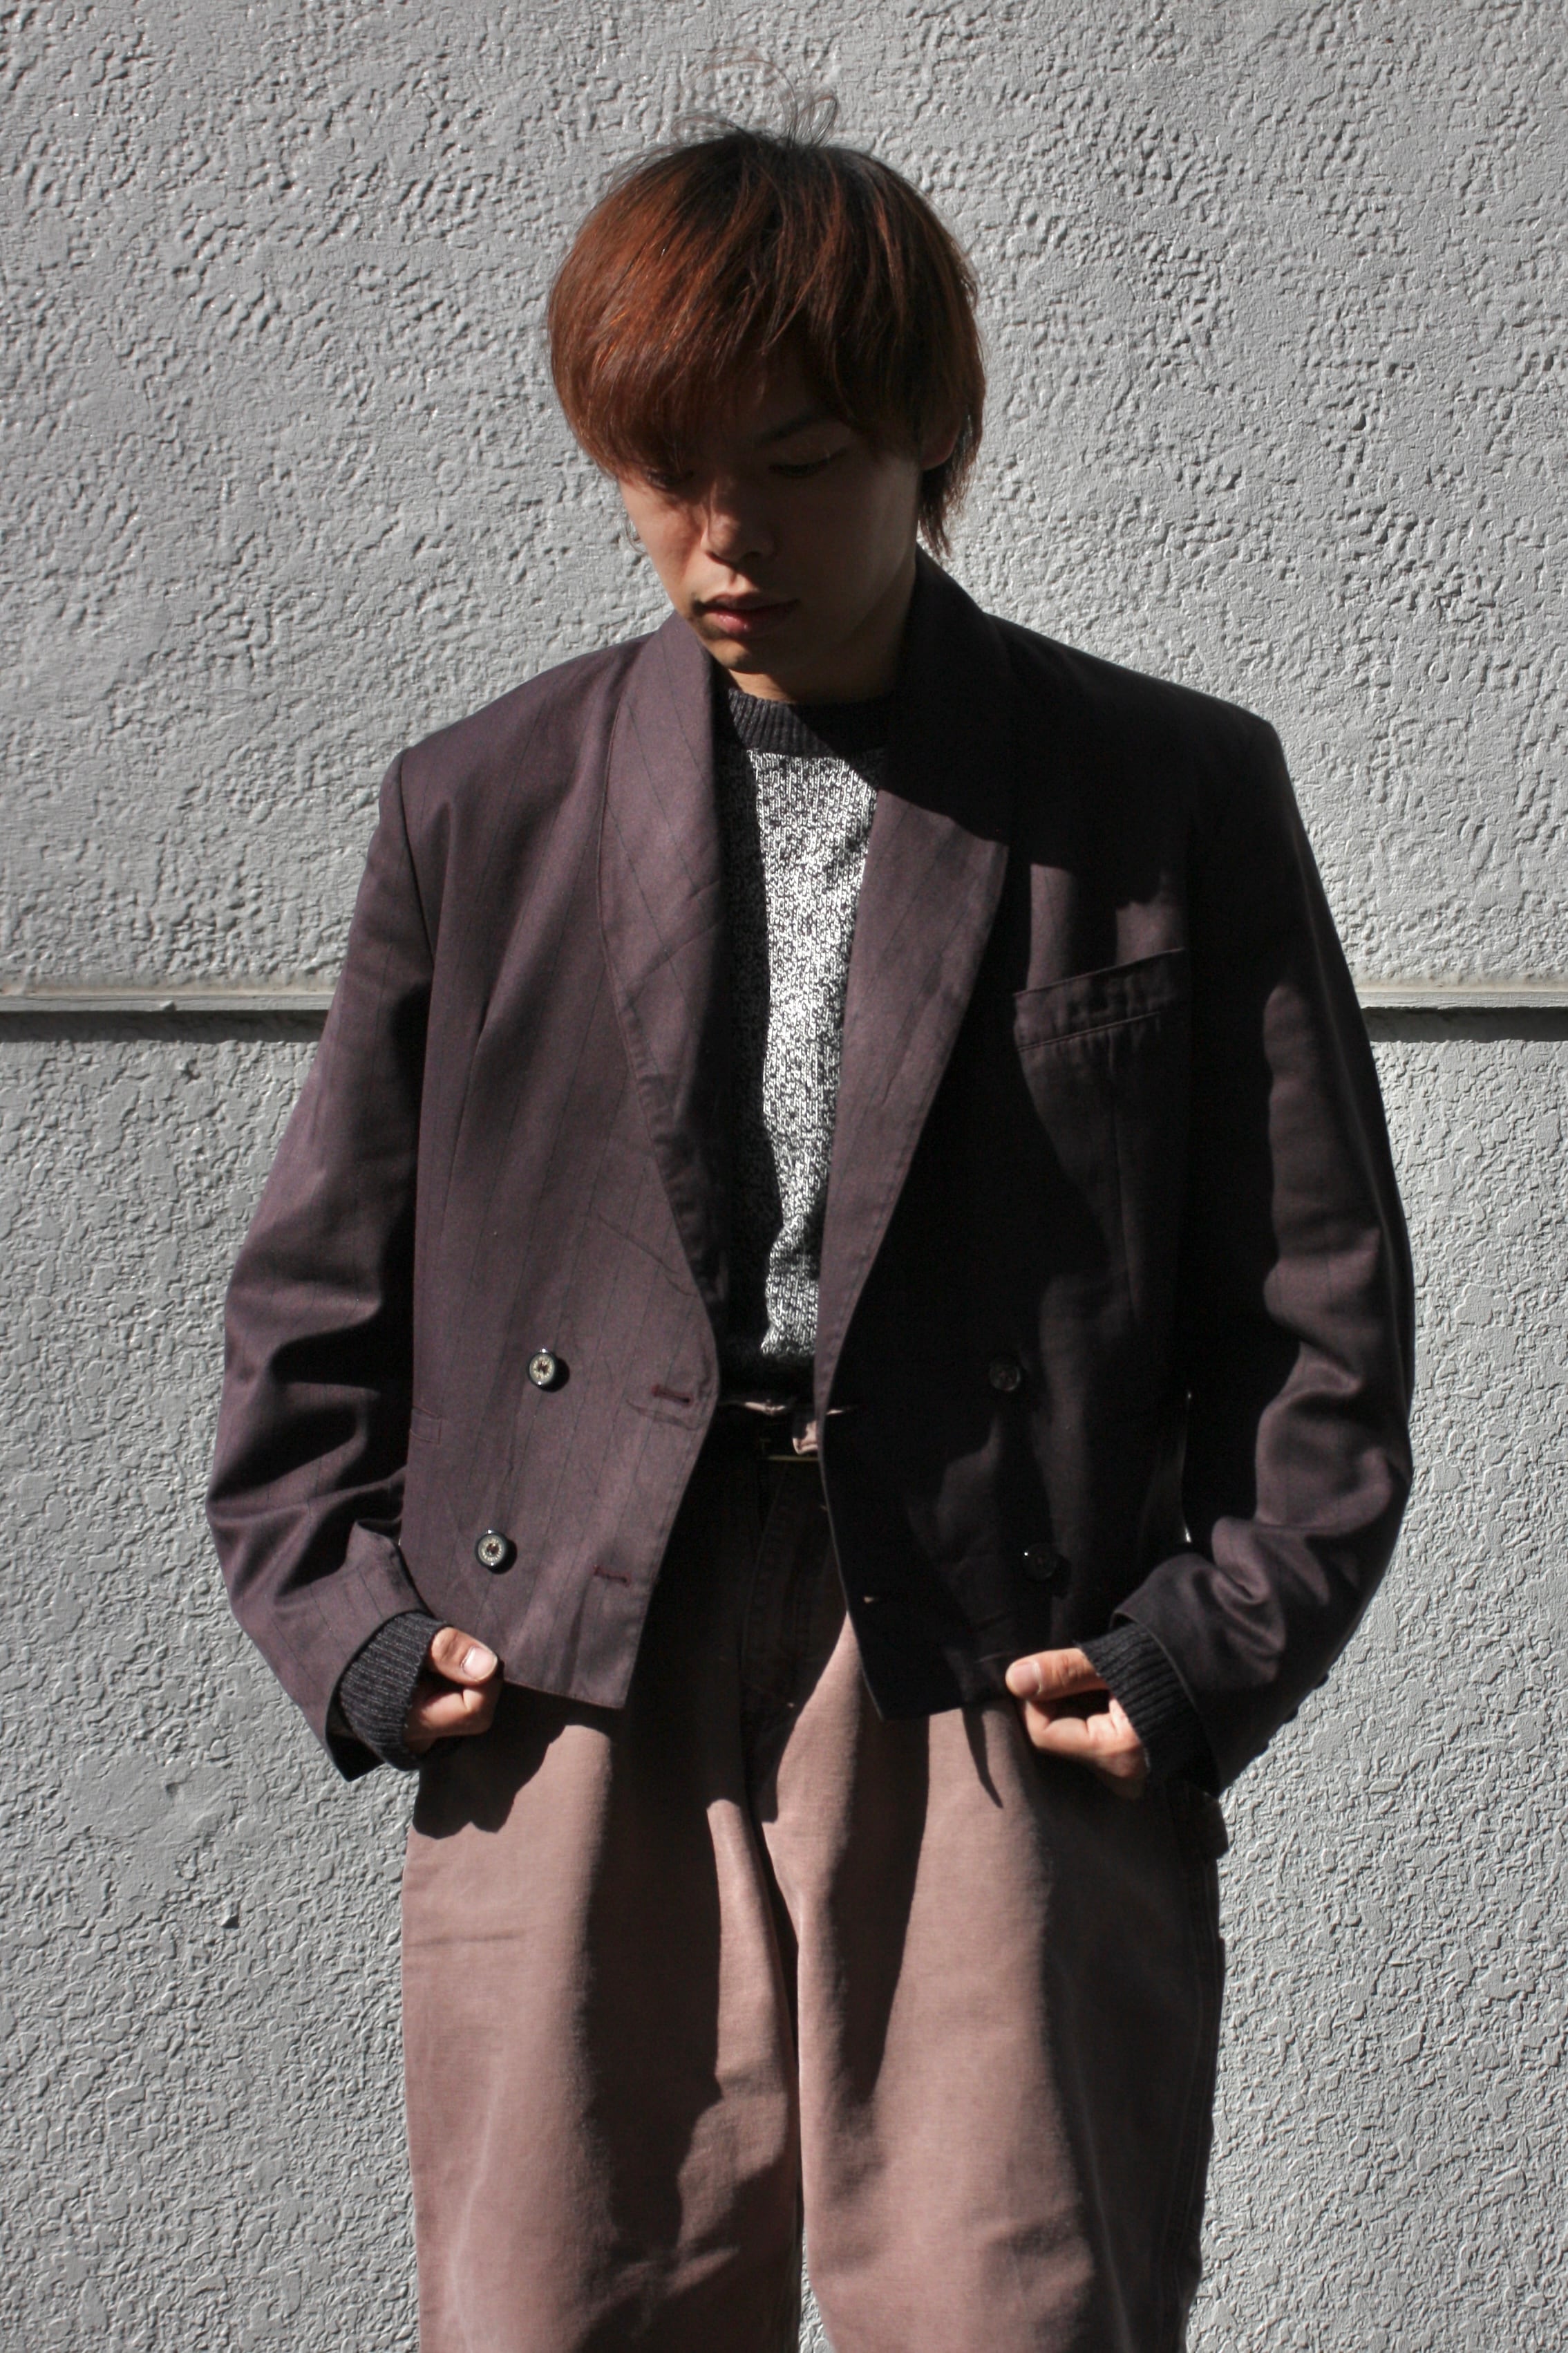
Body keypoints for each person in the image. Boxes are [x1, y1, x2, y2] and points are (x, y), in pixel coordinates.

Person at [208, 107, 1415, 2353]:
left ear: (929, 438)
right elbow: (316, 1297)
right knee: (567, 2303)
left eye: (795, 461)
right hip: (572, 1641)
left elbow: (1315, 1307)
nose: (723, 535)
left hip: (996, 1629)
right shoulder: (484, 804)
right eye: (664, 469)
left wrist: (1202, 1647)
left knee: (1013, 2303)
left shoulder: (1162, 792)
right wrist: (361, 1631)